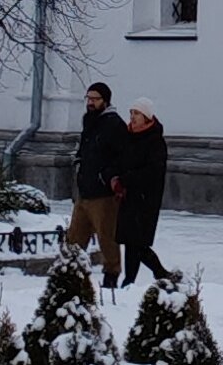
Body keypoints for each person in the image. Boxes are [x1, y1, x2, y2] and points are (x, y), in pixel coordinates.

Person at [66, 80, 127, 284]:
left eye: (95, 99)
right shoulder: (90, 121)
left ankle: (111, 276)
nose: (90, 102)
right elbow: (86, 149)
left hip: (103, 194)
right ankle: (69, 272)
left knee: (107, 237)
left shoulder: (114, 124)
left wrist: (106, 176)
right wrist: (79, 161)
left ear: (105, 100)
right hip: (84, 191)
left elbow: (122, 157)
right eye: (88, 98)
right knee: (74, 237)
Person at [116, 103, 171, 284]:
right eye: (131, 112)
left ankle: (136, 279)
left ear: (146, 117)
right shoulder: (127, 136)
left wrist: (127, 178)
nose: (132, 116)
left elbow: (154, 171)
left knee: (137, 242)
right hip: (128, 196)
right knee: (131, 241)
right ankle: (156, 274)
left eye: (137, 113)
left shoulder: (154, 140)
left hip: (145, 198)